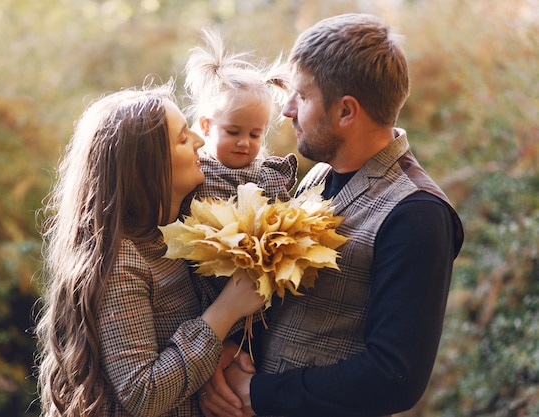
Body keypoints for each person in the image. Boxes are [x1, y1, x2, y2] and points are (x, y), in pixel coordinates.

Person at [199, 13, 465, 417]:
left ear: (346, 112)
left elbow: (394, 376)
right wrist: (229, 354)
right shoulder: (319, 177)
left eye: (302, 97)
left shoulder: (417, 215)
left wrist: (260, 394)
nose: (286, 110)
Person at [34, 83, 265, 417]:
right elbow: (143, 393)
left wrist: (221, 351)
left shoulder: (173, 238)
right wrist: (225, 311)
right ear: (146, 166)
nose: (200, 142)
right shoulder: (122, 261)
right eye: (184, 138)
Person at [182, 29, 298, 210]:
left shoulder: (267, 177)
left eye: (254, 134)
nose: (244, 142)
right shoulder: (194, 172)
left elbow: (287, 220)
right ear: (206, 126)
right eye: (233, 132)